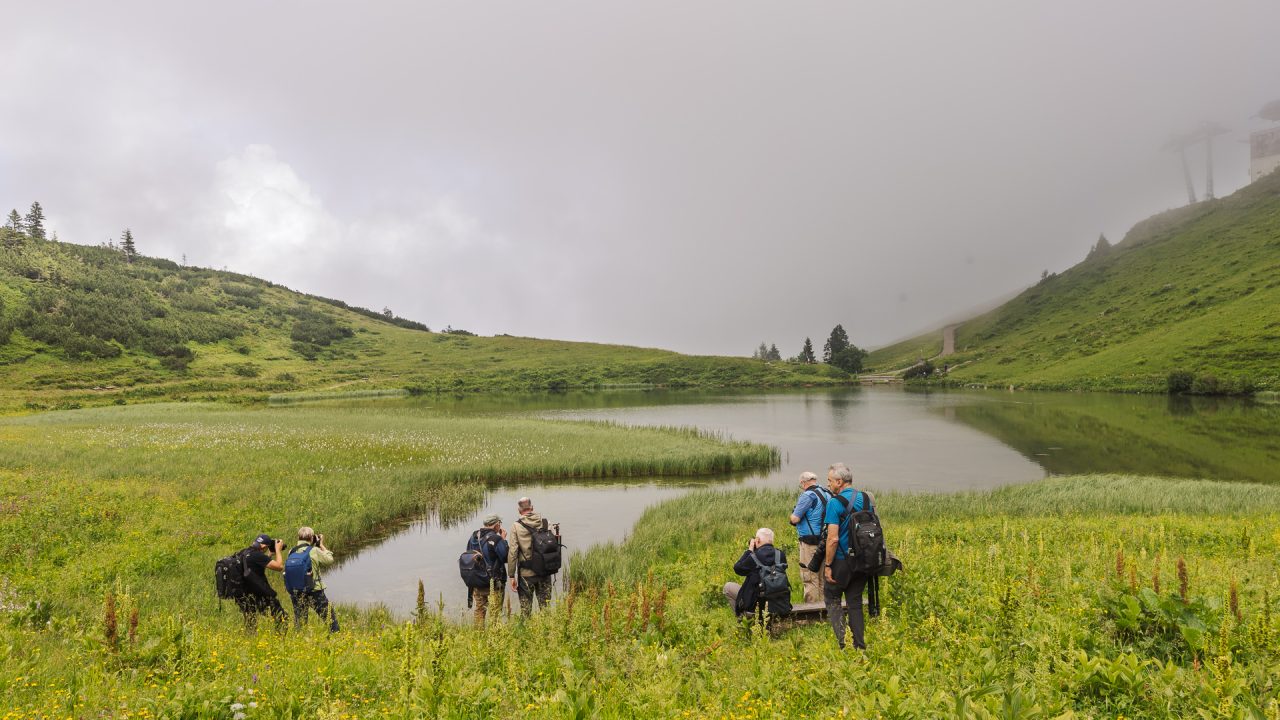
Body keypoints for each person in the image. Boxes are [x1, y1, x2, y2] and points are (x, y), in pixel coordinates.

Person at [822, 462, 874, 650]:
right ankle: (859, 645)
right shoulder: (866, 499)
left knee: (832, 597)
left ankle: (844, 644)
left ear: (839, 482)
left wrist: (828, 565)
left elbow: (832, 539)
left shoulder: (834, 503)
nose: (828, 484)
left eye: (829, 481)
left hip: (841, 561)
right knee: (855, 603)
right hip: (863, 560)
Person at [507, 497, 556, 616]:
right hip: (545, 571)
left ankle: (526, 627)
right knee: (545, 609)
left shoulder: (516, 526)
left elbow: (513, 552)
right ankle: (546, 627)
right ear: (532, 508)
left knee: (526, 611)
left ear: (519, 510)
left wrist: (511, 575)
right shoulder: (545, 522)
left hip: (526, 574)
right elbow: (553, 544)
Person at [731, 527, 792, 620]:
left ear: (757, 540)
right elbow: (772, 574)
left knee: (728, 587)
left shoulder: (753, 557)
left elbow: (738, 568)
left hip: (756, 606)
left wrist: (750, 550)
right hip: (779, 604)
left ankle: (743, 620)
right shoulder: (780, 555)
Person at [285, 527, 339, 632]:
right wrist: (321, 544)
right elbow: (329, 560)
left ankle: (299, 639)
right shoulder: (314, 550)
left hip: (296, 591)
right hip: (314, 590)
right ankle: (336, 636)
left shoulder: (291, 551)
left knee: (300, 621)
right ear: (311, 537)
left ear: (298, 537)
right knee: (329, 618)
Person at [789, 471, 831, 604]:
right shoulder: (827, 493)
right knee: (822, 578)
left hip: (810, 543)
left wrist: (792, 515)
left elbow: (795, 519)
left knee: (810, 577)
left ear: (803, 482)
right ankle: (824, 609)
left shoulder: (808, 495)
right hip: (826, 541)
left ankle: (811, 611)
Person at [237, 533, 287, 631]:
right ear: (264, 547)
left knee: (251, 621)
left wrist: (270, 555)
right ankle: (280, 637)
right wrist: (277, 550)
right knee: (281, 616)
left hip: (245, 593)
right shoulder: (257, 555)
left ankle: (250, 637)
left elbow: (256, 566)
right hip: (260, 593)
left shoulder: (244, 552)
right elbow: (279, 567)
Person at [467, 514, 509, 627]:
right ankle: (494, 633)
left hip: (477, 581)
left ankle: (479, 634)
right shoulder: (496, 538)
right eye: (499, 523)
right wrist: (503, 540)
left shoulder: (474, 536)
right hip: (494, 582)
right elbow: (505, 557)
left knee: (479, 610)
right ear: (496, 525)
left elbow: (468, 554)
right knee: (495, 612)